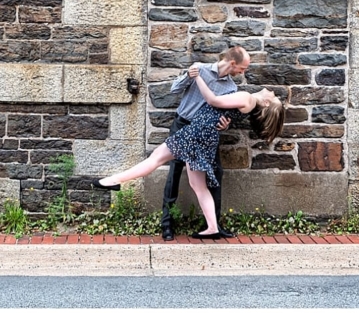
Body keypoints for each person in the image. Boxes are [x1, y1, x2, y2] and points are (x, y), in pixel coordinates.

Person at [96, 63, 286, 239]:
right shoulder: (248, 101)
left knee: (156, 159)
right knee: (198, 186)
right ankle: (213, 228)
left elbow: (213, 101)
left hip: (196, 134)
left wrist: (197, 77)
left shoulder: (247, 98)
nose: (271, 91)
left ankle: (114, 180)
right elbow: (220, 113)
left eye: (274, 96)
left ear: (267, 104)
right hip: (202, 135)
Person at [161, 47, 249, 241]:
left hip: (206, 135)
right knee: (175, 171)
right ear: (232, 63)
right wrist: (187, 76)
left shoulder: (231, 88)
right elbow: (174, 89)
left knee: (215, 173)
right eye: (242, 68)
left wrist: (224, 126)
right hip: (183, 125)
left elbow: (223, 115)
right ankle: (167, 225)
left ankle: (213, 226)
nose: (243, 73)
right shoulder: (199, 69)